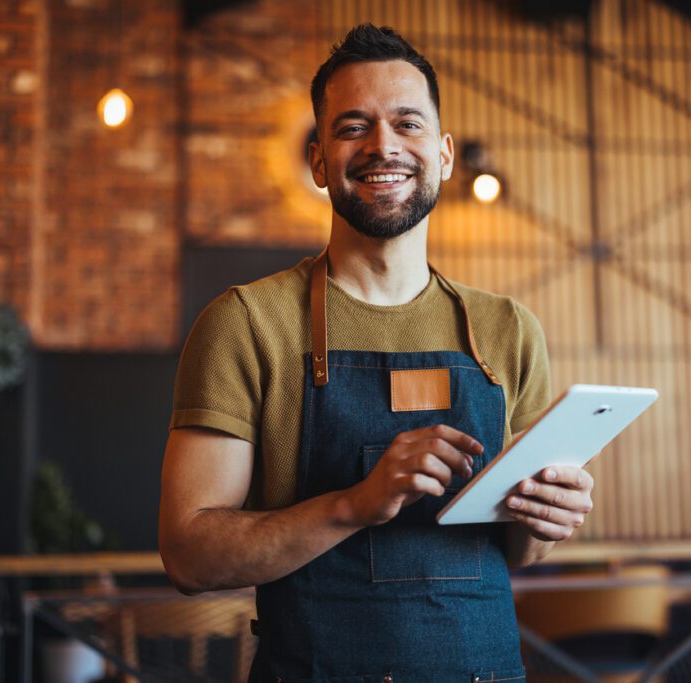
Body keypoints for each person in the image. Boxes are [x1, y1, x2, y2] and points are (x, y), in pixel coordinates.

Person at [159, 24, 596, 682]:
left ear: (445, 154)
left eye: (407, 123)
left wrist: (548, 517)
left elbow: (520, 552)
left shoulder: (508, 329)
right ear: (317, 160)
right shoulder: (246, 324)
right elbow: (189, 555)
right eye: (353, 126)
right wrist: (352, 502)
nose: (383, 144)